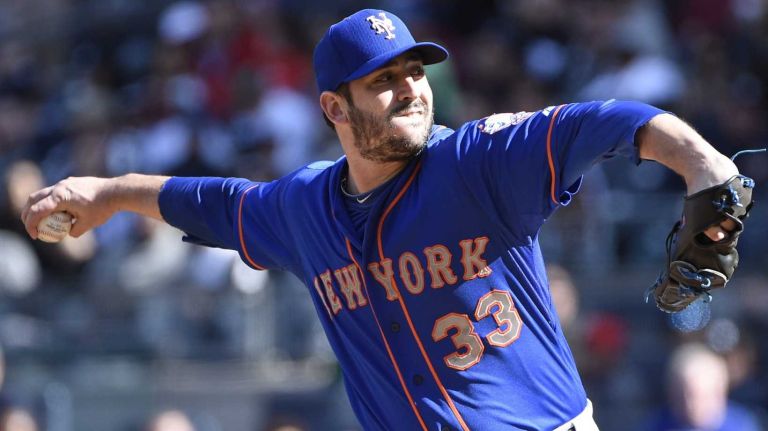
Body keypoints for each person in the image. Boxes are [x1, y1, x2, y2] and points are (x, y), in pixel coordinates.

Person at [20, 9, 744, 431]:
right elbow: (212, 201)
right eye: (384, 81)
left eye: (414, 73)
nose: (409, 91)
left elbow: (618, 120)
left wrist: (705, 168)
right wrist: (111, 192)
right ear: (336, 108)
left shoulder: (479, 162)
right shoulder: (304, 206)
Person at [640, 342, 762, 431]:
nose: (690, 404)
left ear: (720, 391)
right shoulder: (654, 425)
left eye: (700, 395)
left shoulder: (743, 426)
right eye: (681, 395)